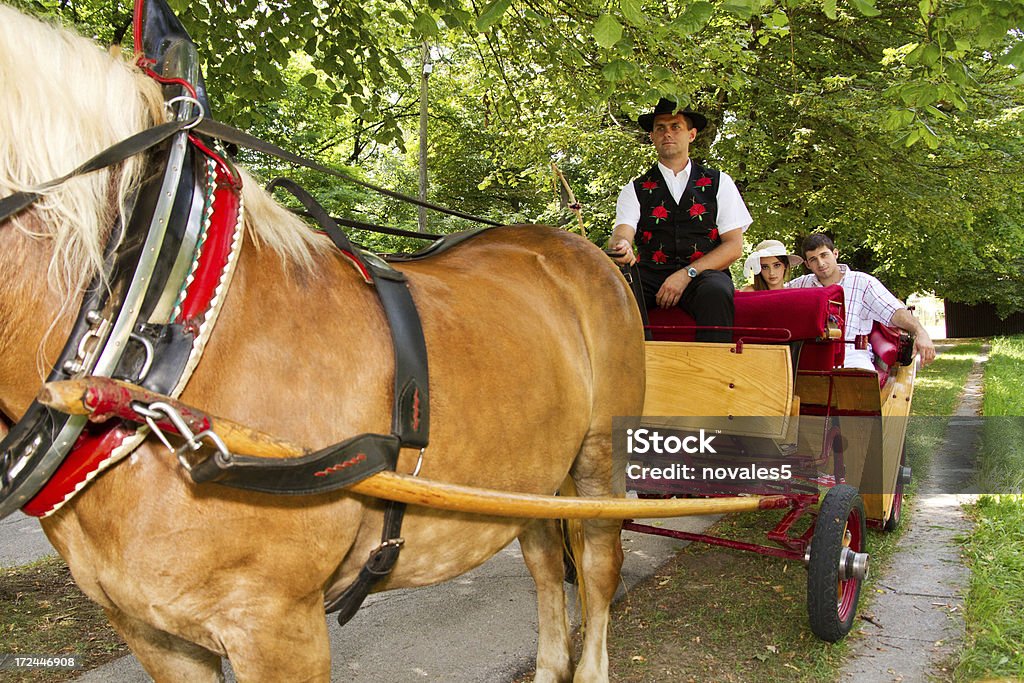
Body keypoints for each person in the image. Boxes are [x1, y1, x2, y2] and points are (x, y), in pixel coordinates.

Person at [608, 98, 752, 343]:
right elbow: (623, 232)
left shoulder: (720, 182)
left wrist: (687, 274)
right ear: (652, 136)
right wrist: (621, 246)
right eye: (660, 128)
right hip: (650, 273)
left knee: (716, 291)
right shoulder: (634, 189)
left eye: (676, 127)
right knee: (618, 289)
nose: (668, 134)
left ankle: (713, 374)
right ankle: (640, 365)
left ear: (692, 135)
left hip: (705, 273)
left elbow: (733, 246)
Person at [787, 233, 936, 370]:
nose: (821, 263)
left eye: (824, 255)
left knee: (861, 387)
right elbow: (773, 299)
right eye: (813, 259)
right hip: (811, 357)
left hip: (852, 355)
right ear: (807, 264)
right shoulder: (800, 285)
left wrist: (920, 331)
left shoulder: (863, 282)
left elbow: (894, 312)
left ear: (835, 253)